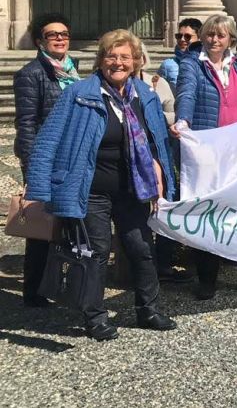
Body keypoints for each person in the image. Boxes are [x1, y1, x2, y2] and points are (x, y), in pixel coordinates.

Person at [27, 29, 177, 341]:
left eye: (125, 57)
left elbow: (157, 140)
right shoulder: (79, 93)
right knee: (95, 252)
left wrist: (163, 171)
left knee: (141, 248)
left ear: (135, 61)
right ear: (101, 60)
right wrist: (39, 189)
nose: (118, 62)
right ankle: (94, 316)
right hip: (91, 189)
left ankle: (148, 309)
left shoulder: (144, 95)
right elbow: (48, 139)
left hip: (133, 188)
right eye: (112, 56)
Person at [173, 14, 237, 300]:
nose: (215, 39)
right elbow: (187, 94)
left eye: (221, 35)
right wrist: (183, 121)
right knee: (209, 212)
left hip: (236, 150)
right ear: (203, 37)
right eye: (210, 34)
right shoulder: (192, 63)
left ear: (231, 39)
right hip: (207, 150)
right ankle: (207, 278)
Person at [14, 12, 80, 307]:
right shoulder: (31, 74)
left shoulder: (73, 70)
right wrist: (31, 172)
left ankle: (60, 282)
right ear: (40, 41)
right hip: (45, 158)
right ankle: (34, 290)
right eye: (53, 34)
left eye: (64, 34)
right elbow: (26, 124)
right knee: (41, 226)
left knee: (66, 220)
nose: (60, 38)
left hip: (70, 156)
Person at [137, 43, 189, 284]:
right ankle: (139, 264)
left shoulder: (157, 81)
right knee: (137, 210)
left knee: (166, 202)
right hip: (134, 154)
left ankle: (164, 261)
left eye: (136, 55)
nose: (132, 60)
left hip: (160, 150)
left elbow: (174, 111)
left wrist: (154, 113)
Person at [158, 17, 202, 89]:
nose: (182, 39)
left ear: (200, 38)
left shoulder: (207, 63)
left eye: (187, 36)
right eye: (179, 36)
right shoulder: (168, 65)